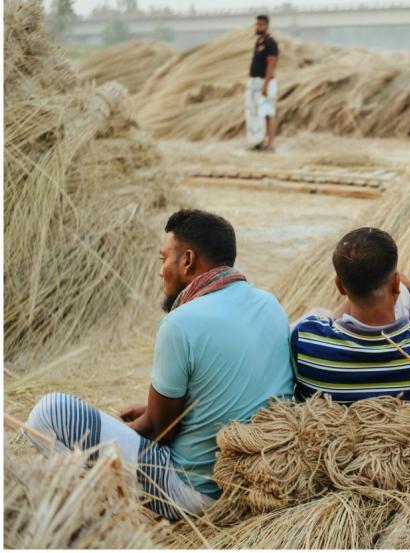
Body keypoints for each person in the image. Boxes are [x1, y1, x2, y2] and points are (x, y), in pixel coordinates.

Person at [22, 209, 294, 519]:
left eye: (163, 258)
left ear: (187, 260)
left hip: (196, 491)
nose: (160, 270)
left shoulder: (181, 323)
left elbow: (158, 430)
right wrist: (152, 410)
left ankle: (87, 510)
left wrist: (126, 428)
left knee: (49, 412)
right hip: (259, 478)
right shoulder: (270, 303)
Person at [290, 227, 410, 412]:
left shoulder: (305, 339)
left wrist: (352, 291)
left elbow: (331, 320)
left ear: (340, 286)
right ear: (397, 284)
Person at [246, 14, 279, 152]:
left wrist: (265, 84)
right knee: (256, 113)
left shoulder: (270, 43)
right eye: (257, 25)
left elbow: (271, 63)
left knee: (268, 112)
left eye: (260, 25)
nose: (258, 27)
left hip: (266, 83)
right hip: (255, 83)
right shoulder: (259, 42)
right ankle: (259, 140)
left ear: (266, 25)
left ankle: (270, 143)